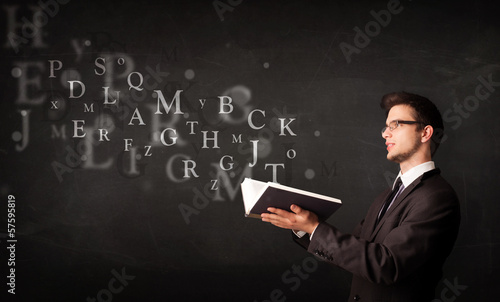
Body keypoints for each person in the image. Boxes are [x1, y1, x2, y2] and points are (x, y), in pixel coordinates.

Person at [261, 92, 461, 302]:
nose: (385, 134)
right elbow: (356, 254)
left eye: (396, 125)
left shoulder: (436, 197)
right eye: (386, 127)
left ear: (425, 133)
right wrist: (304, 227)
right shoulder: (387, 196)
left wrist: (314, 228)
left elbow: (387, 266)